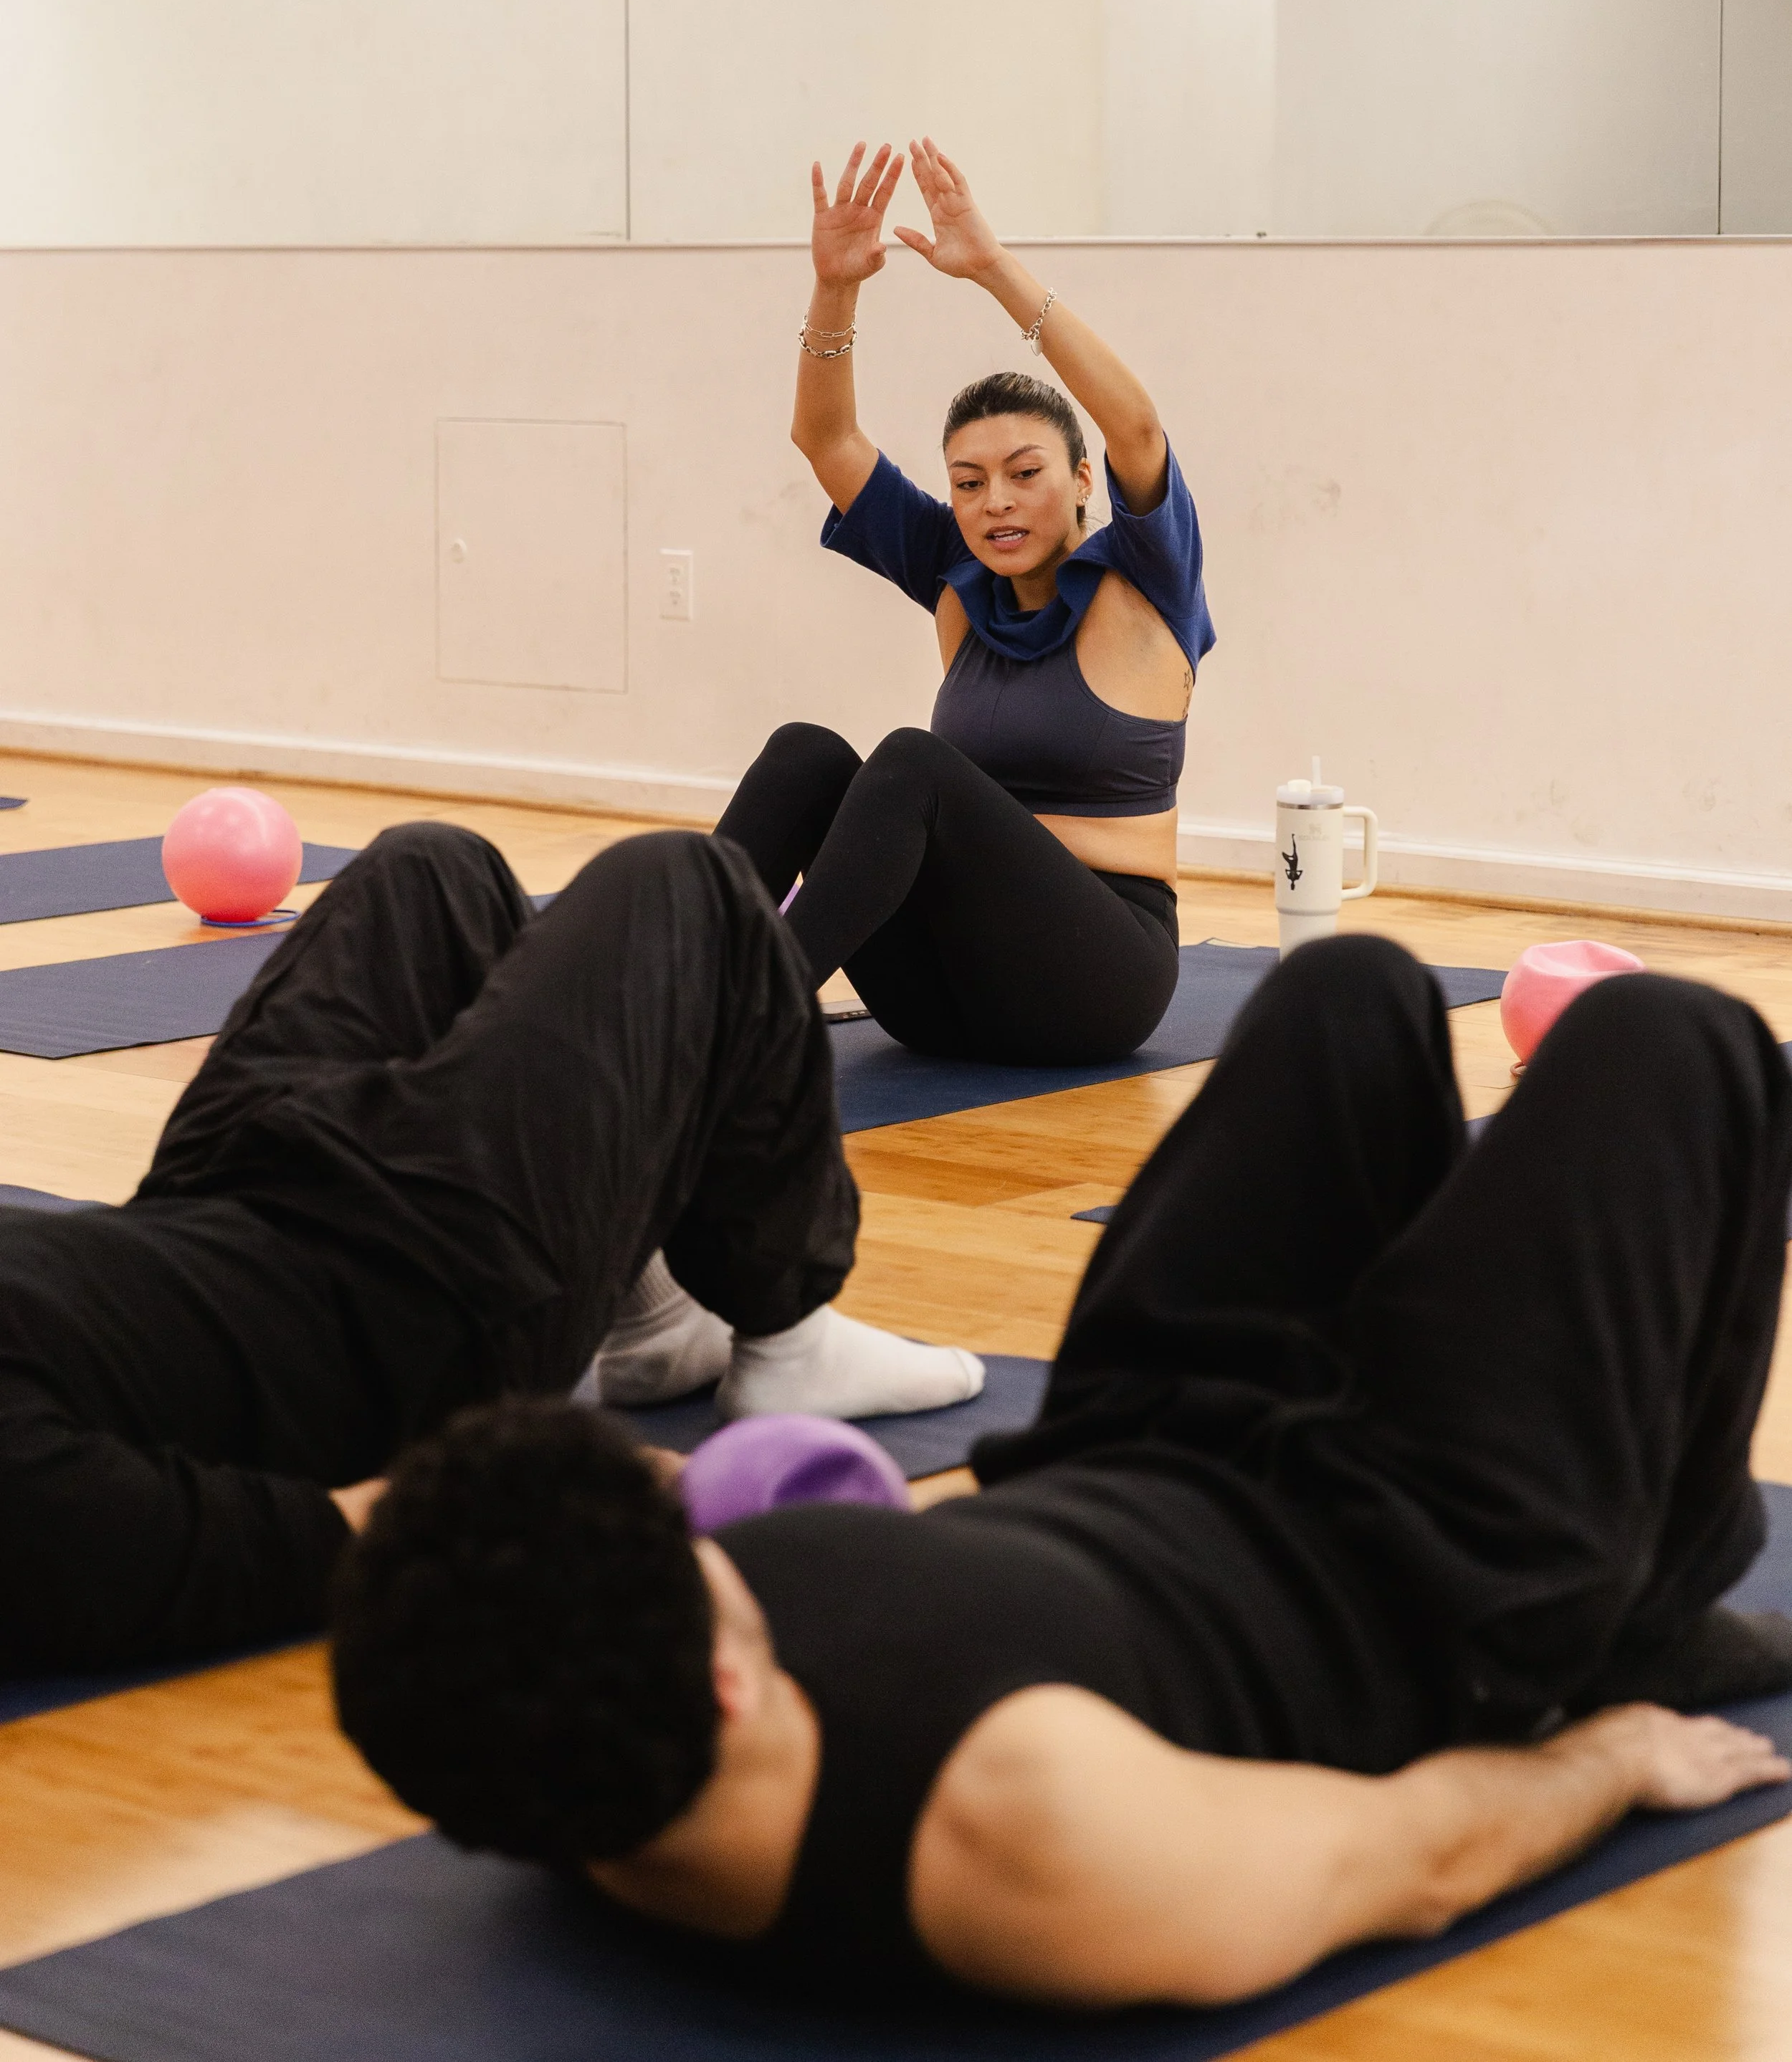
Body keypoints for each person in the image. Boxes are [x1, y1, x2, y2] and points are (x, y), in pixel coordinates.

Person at [333, 941, 1792, 2011]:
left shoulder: (547, 1709)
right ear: (727, 1681)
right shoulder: (1040, 1839)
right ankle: (1644, 1607)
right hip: (1422, 1558)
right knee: (1671, 1039)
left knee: (1348, 993)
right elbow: (1415, 1863)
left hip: (1129, 1437)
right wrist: (1614, 1758)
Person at [0, 824, 981, 1675]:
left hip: (223, 1190)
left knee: (431, 872)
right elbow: (303, 1542)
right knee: (690, 886)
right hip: (414, 1296)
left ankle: (648, 1313)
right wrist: (579, 1483)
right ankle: (788, 1331)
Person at [712, 138, 1214, 1066]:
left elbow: (1139, 426)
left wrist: (991, 268)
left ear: (1081, 480)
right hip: (945, 991)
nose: (997, 503)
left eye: (1025, 474)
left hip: (1098, 981)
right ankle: (677, 993)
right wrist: (835, 287)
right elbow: (826, 440)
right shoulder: (956, 570)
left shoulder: (1147, 580)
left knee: (913, 762)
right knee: (806, 755)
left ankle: (742, 1026)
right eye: (970, 483)